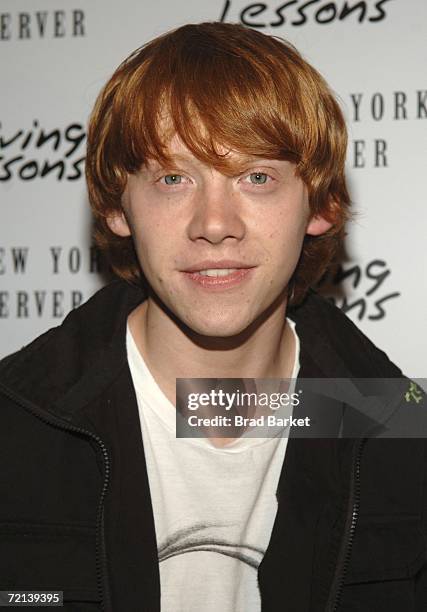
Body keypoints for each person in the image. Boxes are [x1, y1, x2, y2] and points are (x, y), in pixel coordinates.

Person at [0, 21, 426, 612]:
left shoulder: (403, 436)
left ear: (320, 206)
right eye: (173, 179)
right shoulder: (15, 427)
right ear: (117, 206)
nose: (214, 223)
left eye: (256, 177)